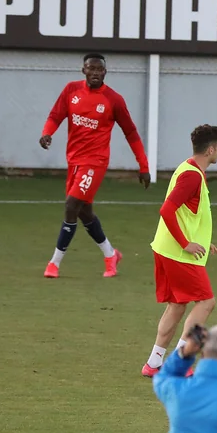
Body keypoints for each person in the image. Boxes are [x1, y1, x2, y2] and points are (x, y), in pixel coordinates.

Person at [39, 52, 150, 278]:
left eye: (100, 69)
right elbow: (55, 115)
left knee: (71, 205)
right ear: (84, 71)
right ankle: (111, 255)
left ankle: (54, 263)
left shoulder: (113, 99)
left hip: (95, 162)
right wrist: (47, 133)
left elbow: (131, 133)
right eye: (91, 68)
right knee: (84, 213)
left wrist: (144, 166)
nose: (96, 73)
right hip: (74, 161)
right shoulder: (71, 90)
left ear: (105, 73)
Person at [141, 125, 217, 377]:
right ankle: (180, 361)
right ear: (210, 149)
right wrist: (186, 243)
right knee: (206, 302)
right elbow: (167, 210)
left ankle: (154, 363)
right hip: (179, 253)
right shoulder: (192, 176)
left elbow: (187, 213)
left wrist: (201, 239)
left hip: (166, 248)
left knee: (177, 305)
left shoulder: (187, 167)